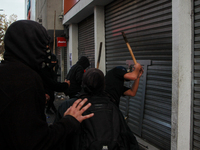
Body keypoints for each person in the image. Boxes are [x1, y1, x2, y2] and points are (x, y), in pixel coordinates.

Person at [0, 20, 94, 150]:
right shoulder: (27, 79)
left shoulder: (7, 72)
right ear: (31, 45)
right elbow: (36, 142)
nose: (45, 52)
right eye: (43, 46)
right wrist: (69, 121)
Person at [55, 68, 140, 150]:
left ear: (83, 83)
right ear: (103, 85)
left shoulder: (69, 106)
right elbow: (128, 139)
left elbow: (56, 137)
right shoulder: (113, 107)